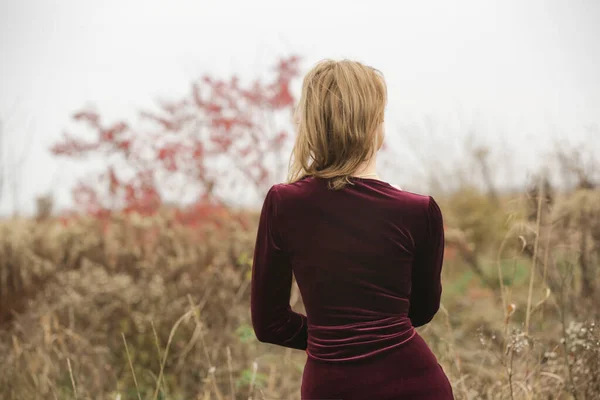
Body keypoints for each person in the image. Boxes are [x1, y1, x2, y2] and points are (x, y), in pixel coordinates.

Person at [250, 59, 453, 399]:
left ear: (312, 124)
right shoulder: (419, 211)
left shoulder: (284, 204)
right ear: (376, 125)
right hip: (416, 383)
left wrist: (332, 339)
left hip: (330, 386)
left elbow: (270, 323)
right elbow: (422, 310)